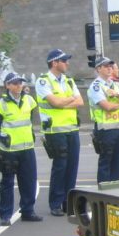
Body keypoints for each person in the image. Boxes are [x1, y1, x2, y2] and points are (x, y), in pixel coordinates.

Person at [35, 49, 83, 217]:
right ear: (54, 63)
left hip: (71, 129)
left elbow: (81, 101)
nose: (67, 63)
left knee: (72, 167)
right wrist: (70, 99)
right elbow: (55, 102)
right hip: (55, 131)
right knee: (60, 167)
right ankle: (55, 203)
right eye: (64, 60)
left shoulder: (68, 81)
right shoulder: (43, 81)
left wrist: (64, 102)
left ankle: (68, 203)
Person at [0, 73, 42, 225]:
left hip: (27, 148)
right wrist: (1, 140)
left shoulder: (29, 100)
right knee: (7, 182)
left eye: (20, 82)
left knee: (29, 181)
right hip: (9, 150)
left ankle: (28, 211)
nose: (19, 85)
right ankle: (5, 215)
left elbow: (29, 121)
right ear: (7, 85)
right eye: (15, 83)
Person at [88, 56, 119, 183]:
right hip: (106, 130)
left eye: (110, 66)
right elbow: (107, 106)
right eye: (106, 66)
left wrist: (118, 95)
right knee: (106, 163)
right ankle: (103, 192)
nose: (110, 68)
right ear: (98, 69)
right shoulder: (96, 86)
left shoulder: (116, 85)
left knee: (118, 164)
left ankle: (116, 192)